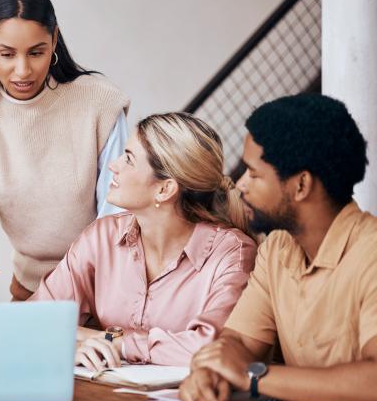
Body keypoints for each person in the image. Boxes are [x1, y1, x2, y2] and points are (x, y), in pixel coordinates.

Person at [179, 94, 377, 401]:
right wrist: (210, 373)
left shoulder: (371, 254)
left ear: (301, 186)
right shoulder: (276, 249)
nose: (240, 184)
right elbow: (239, 344)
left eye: (254, 174)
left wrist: (257, 378)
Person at [0, 0, 130, 300]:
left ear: (54, 39)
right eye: (7, 54)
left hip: (104, 287)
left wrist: (78, 283)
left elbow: (118, 211)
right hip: (31, 289)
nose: (22, 70)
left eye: (36, 52)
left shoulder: (99, 104)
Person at [31, 113, 257, 368]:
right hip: (109, 395)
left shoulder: (232, 253)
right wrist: (73, 346)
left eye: (128, 159)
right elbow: (35, 320)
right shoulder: (101, 238)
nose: (113, 165)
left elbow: (212, 349)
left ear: (165, 189)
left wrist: (113, 341)